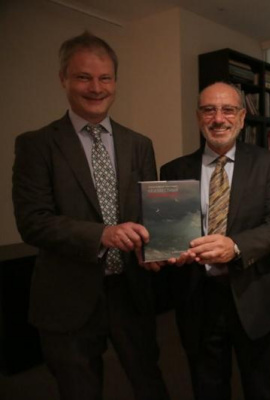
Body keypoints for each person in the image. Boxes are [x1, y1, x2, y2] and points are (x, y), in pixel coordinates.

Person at [12, 32, 170, 400]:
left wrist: (157, 247)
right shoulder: (36, 145)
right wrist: (102, 234)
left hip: (130, 291)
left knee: (150, 382)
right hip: (68, 294)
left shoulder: (139, 144)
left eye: (105, 78)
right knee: (79, 390)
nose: (96, 88)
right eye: (84, 77)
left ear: (115, 81)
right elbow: (32, 221)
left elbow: (150, 213)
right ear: (63, 79)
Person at [160, 82, 270, 400]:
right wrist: (171, 252)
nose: (219, 119)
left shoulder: (266, 163)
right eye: (209, 110)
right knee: (207, 387)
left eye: (228, 110)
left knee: (259, 386)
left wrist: (235, 246)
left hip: (252, 294)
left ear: (242, 117)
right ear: (198, 117)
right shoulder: (173, 170)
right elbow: (171, 236)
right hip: (197, 298)